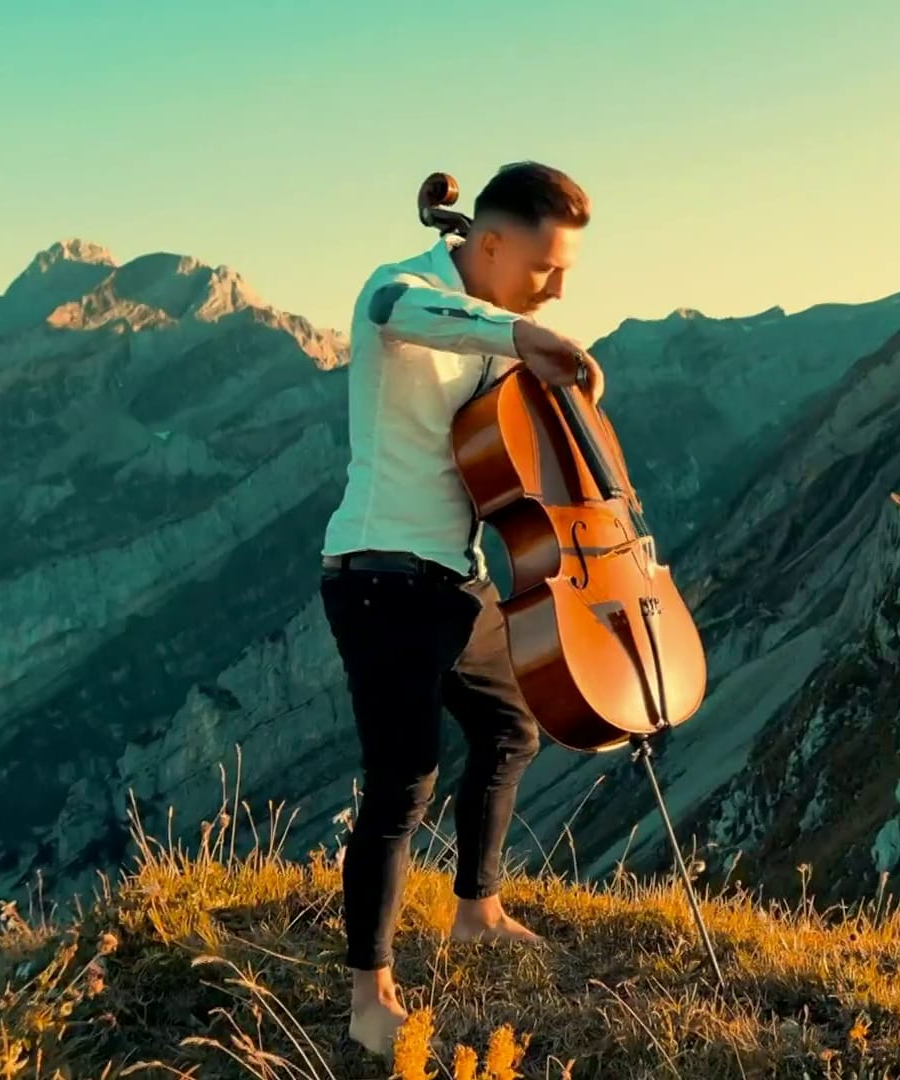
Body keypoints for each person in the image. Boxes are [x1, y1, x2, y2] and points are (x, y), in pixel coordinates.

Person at [317, 161, 602, 1056]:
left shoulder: (497, 335)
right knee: (402, 780)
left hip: (450, 576)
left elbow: (503, 453)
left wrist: (554, 398)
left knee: (511, 727)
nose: (555, 289)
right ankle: (369, 999)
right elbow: (395, 313)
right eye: (543, 268)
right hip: (377, 574)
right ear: (485, 242)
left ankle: (475, 909)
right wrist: (517, 333)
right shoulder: (404, 292)